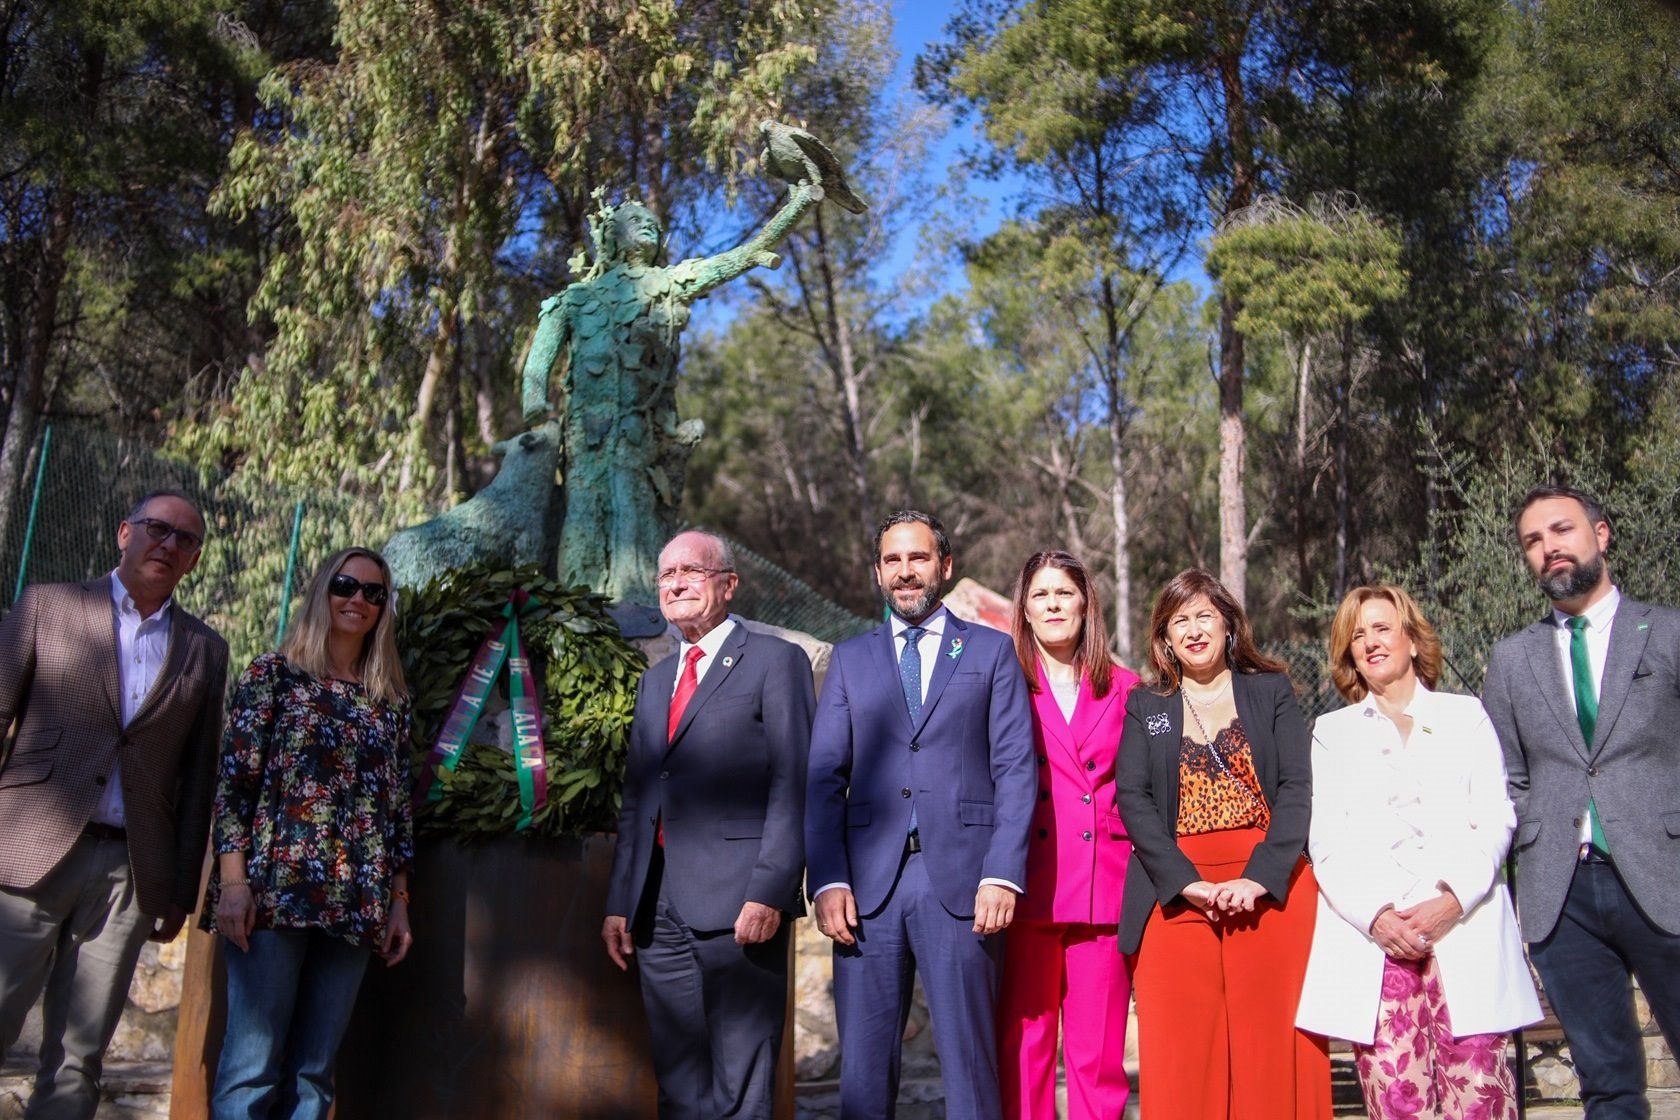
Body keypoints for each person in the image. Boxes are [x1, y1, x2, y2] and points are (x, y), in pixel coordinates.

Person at [0, 490, 228, 1120]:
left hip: (128, 875)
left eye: (185, 540)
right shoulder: (47, 605)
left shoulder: (205, 649)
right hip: (26, 854)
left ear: (194, 560)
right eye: (158, 528)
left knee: (79, 1060)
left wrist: (180, 890)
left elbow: (199, 778)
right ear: (125, 533)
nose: (169, 544)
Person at [806, 510, 1036, 1120]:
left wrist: (1002, 873)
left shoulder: (991, 652)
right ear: (878, 572)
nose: (906, 571)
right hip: (865, 892)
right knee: (863, 1073)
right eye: (893, 560)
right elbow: (825, 777)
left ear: (945, 565)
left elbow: (1016, 768)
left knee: (970, 1068)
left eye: (918, 557)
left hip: (964, 886)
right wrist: (827, 880)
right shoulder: (850, 660)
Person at [1296, 584, 1540, 1120]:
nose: (1370, 642)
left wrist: (1452, 899)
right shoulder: (1331, 733)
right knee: (1397, 1103)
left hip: (1464, 930)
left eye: (1382, 628)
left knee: (1480, 1098)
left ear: (1411, 639)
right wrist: (1377, 917)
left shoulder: (1466, 715)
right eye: (1357, 635)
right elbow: (1326, 842)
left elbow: (1495, 816)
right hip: (1376, 946)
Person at [1482, 485, 1680, 1119]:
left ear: (1601, 533)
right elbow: (1507, 776)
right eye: (1533, 541)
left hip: (1666, 875)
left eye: (1561, 530)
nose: (1549, 548)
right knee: (1607, 1086)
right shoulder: (1512, 659)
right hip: (1562, 897)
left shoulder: (1668, 632)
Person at [602, 530, 814, 1120]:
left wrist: (770, 891)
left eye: (691, 571)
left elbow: (795, 783)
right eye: (666, 575)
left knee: (741, 1088)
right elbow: (639, 798)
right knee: (679, 1086)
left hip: (740, 905)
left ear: (729, 584)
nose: (675, 584)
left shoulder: (776, 661)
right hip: (658, 910)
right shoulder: (654, 682)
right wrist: (621, 900)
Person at [202, 547, 413, 1120]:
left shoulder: (390, 700)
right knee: (251, 1068)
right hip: (274, 896)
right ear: (323, 589)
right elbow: (234, 785)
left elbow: (397, 811)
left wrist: (399, 901)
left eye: (374, 592)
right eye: (347, 585)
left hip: (356, 906)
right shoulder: (274, 675)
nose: (358, 599)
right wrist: (233, 884)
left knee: (313, 1076)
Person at [1114, 568, 1329, 1120]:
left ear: (1229, 625)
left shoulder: (1270, 690)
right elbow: (1133, 798)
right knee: (1182, 1049)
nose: (1193, 630)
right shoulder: (1146, 705)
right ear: (1165, 638)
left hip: (1270, 885)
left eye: (1204, 616)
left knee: (1271, 1046)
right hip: (1176, 891)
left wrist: (1260, 877)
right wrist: (1185, 883)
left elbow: (1296, 787)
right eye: (1179, 620)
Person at [996, 550, 1139, 1120]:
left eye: (1064, 593)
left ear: (1085, 604)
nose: (1053, 604)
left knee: (1097, 1058)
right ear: (1025, 609)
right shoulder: (1002, 684)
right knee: (1024, 1050)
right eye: (1041, 594)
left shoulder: (1127, 688)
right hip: (1026, 887)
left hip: (1103, 890)